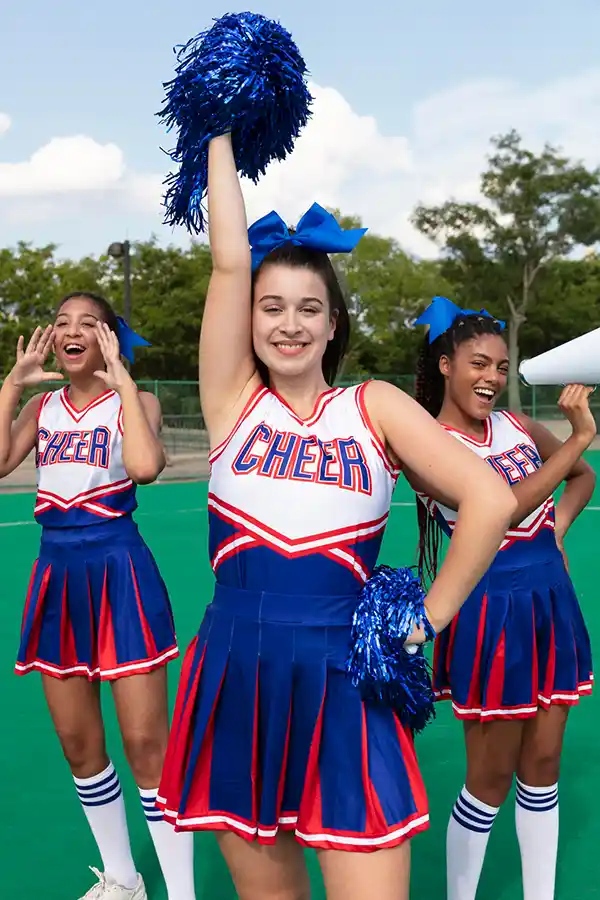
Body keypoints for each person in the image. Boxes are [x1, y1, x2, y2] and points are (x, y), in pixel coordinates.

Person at [155, 133, 517, 900]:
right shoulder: (232, 404)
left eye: (308, 308)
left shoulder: (373, 406)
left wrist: (428, 618)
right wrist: (217, 129)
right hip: (236, 667)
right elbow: (227, 261)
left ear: (331, 324)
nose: (288, 323)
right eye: (271, 306)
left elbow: (491, 498)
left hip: (347, 671)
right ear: (249, 319)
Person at [0, 292, 197, 900]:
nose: (70, 331)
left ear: (110, 337)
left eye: (89, 323)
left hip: (119, 570)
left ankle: (182, 891)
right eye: (62, 323)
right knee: (79, 742)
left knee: (145, 743)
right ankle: (123, 879)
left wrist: (124, 380)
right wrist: (12, 385)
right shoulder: (42, 405)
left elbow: (143, 466)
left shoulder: (138, 403)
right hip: (57, 575)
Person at [412, 296, 595, 900]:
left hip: (549, 599)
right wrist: (582, 436)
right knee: (488, 780)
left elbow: (580, 478)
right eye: (478, 363)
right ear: (445, 365)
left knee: (542, 771)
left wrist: (559, 529)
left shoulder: (515, 426)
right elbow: (503, 506)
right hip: (488, 607)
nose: (491, 376)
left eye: (500, 365)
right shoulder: (426, 442)